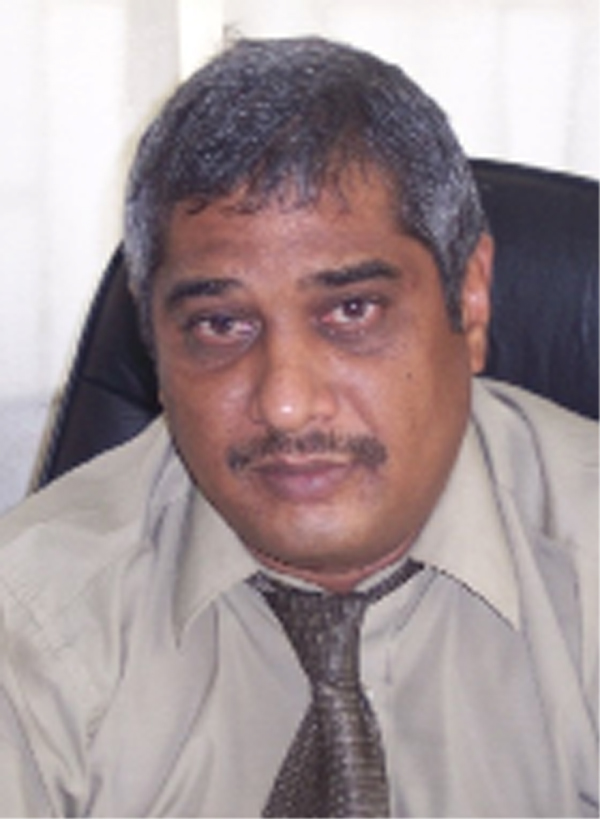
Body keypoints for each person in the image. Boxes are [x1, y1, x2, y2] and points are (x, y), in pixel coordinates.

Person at [0, 36, 597, 818]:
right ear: (155, 342)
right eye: (220, 325)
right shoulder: (32, 623)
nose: (285, 403)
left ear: (471, 299)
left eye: (352, 310)